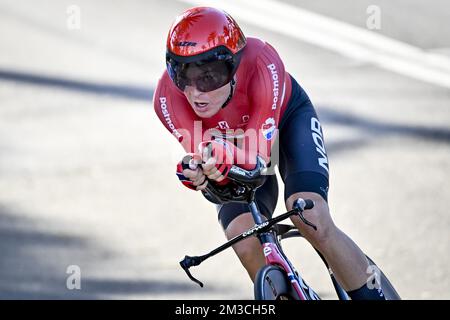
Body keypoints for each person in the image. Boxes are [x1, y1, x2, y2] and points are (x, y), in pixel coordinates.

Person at [154, 6, 386, 300]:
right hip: (234, 146)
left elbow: (257, 159)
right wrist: (201, 173)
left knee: (310, 214)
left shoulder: (262, 60)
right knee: (242, 236)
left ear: (234, 65)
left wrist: (219, 156)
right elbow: (210, 165)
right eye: (182, 74)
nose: (195, 92)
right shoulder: (166, 97)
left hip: (283, 122)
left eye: (209, 77)